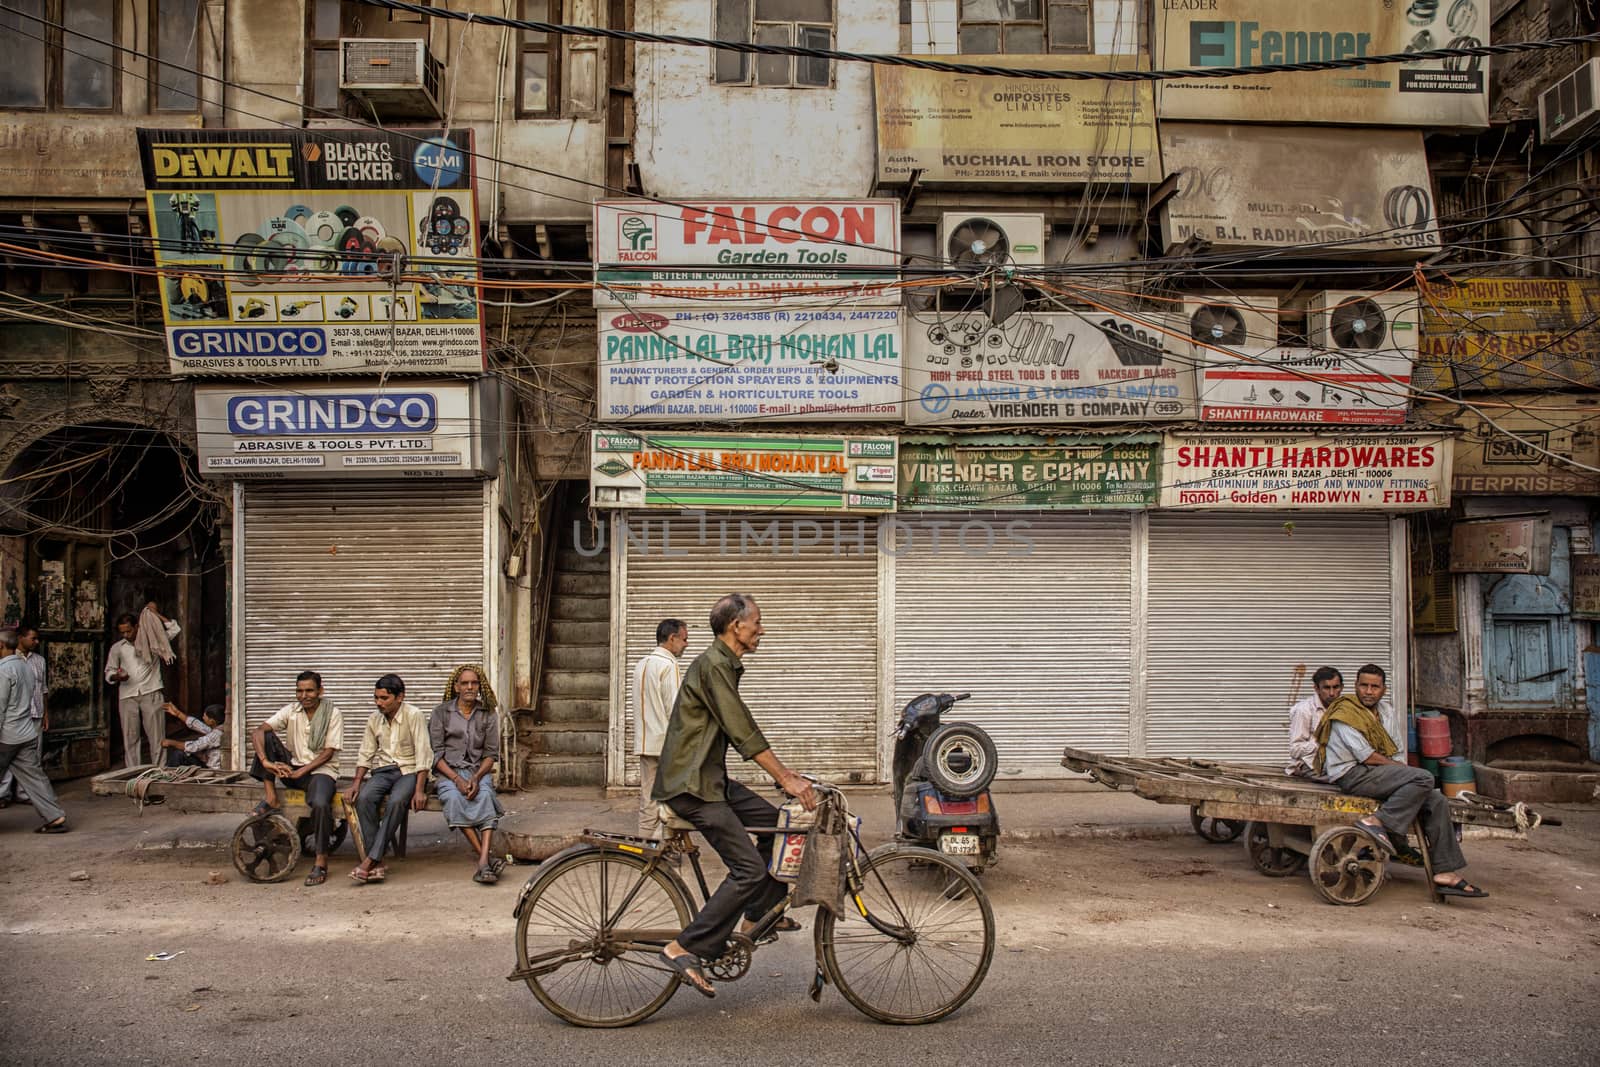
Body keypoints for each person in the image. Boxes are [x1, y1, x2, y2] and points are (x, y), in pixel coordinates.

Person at [653, 594, 816, 999]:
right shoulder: (712, 665)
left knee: (782, 827)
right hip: (690, 785)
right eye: (756, 623)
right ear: (735, 627)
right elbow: (739, 726)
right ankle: (683, 947)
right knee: (749, 870)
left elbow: (739, 726)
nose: (761, 630)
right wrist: (783, 777)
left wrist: (786, 774)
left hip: (710, 779)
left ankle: (757, 917)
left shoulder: (723, 664)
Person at [1314, 663, 1488, 899]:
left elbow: (1396, 752)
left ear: (1383, 689)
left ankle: (1445, 871)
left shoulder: (1386, 712)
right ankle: (1378, 821)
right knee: (1424, 777)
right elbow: (1365, 755)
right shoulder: (1344, 712)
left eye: (1374, 687)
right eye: (1363, 685)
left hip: (1380, 774)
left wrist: (1402, 771)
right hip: (1353, 774)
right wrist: (1404, 772)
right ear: (1355, 687)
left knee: (1436, 799)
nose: (1368, 691)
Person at [250, 671, 343, 887]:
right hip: (293, 769)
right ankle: (271, 797)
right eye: (299, 691)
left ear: (321, 691)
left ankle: (320, 860)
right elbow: (258, 731)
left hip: (321, 771)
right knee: (264, 737)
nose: (304, 695)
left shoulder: (333, 714)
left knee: (320, 804)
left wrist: (300, 772)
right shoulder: (291, 711)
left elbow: (328, 752)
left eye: (309, 690)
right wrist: (267, 762)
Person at [346, 674, 431, 885]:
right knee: (364, 799)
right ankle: (379, 861)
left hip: (409, 771)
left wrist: (420, 789)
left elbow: (423, 753)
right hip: (384, 770)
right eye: (376, 698)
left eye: (384, 698)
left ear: (399, 697)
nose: (379, 703)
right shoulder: (374, 718)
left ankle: (370, 860)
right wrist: (356, 782)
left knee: (397, 801)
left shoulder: (414, 715)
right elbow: (366, 753)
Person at [429, 664, 504, 884]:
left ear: (479, 687)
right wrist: (457, 780)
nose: (470, 687)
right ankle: (486, 860)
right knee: (453, 799)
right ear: (456, 687)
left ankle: (482, 862)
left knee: (486, 797)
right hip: (449, 772)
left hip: (477, 772)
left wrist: (475, 779)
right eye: (465, 683)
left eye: (474, 683)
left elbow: (491, 754)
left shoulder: (488, 714)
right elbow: (436, 754)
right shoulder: (441, 713)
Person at [0, 629, 67, 833]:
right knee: (35, 777)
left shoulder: (4, 671)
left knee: (33, 776)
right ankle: (55, 816)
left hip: (8, 736)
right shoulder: (25, 666)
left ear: (1, 646)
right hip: (27, 732)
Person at [104, 604, 180, 768]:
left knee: (157, 737)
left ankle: (160, 771)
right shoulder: (118, 648)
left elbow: (174, 629)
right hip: (127, 696)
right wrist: (118, 676)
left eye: (128, 631)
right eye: (122, 632)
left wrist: (155, 613)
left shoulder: (153, 641)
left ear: (137, 626)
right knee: (130, 738)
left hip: (151, 692)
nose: (125, 635)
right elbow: (109, 672)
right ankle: (133, 772)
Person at [633, 618, 687, 842]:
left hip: (645, 743)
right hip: (665, 744)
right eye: (684, 640)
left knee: (649, 799)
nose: (686, 645)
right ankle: (668, 846)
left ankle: (645, 847)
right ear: (672, 638)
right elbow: (675, 709)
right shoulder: (669, 665)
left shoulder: (642, 664)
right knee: (673, 800)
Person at [0, 624, 46, 808]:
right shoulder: (12, 664)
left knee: (30, 760)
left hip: (33, 713)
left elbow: (43, 688)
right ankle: (4, 794)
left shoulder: (38, 661)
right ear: (20, 639)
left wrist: (45, 713)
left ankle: (25, 794)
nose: (36, 642)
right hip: (14, 720)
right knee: (15, 761)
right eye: (32, 638)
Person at [1286, 666, 1343, 778]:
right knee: (1342, 779)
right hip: (1309, 763)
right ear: (1317, 689)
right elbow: (1295, 749)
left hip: (1337, 762)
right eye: (1326, 688)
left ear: (1342, 687)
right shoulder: (1304, 710)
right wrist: (1323, 743)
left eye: (1336, 687)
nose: (1332, 693)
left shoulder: (1344, 708)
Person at [159, 702, 225, 770]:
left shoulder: (216, 735)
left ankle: (168, 776)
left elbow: (193, 746)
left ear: (212, 721)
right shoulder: (221, 728)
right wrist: (178, 713)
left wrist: (171, 742)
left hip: (212, 769)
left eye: (205, 717)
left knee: (179, 754)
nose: (203, 718)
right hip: (207, 761)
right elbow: (199, 726)